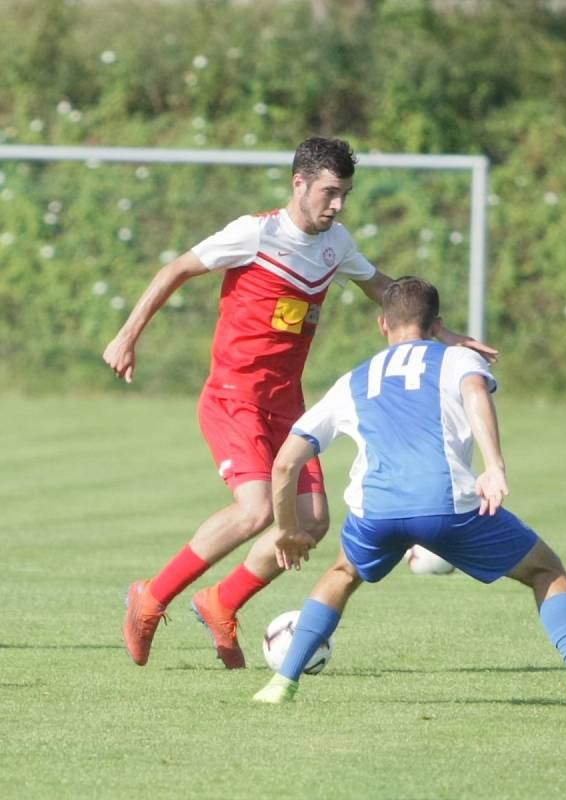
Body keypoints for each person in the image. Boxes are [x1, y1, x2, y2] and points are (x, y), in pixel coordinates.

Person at [103, 138, 496, 669]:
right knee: (259, 510)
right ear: (300, 184)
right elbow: (175, 269)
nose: (337, 205)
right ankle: (148, 598)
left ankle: (222, 601)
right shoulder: (256, 233)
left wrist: (445, 335)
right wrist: (128, 335)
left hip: (288, 404)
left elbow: (383, 289)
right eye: (330, 192)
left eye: (345, 195)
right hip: (233, 397)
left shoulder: (337, 243)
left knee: (309, 522)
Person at [252, 276, 566, 711]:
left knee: (341, 574)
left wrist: (287, 531)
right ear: (438, 324)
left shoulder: (353, 379)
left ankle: (282, 683)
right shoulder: (456, 359)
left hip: (377, 510)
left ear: (382, 324)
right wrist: (493, 466)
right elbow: (474, 391)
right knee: (546, 572)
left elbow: (285, 464)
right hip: (446, 504)